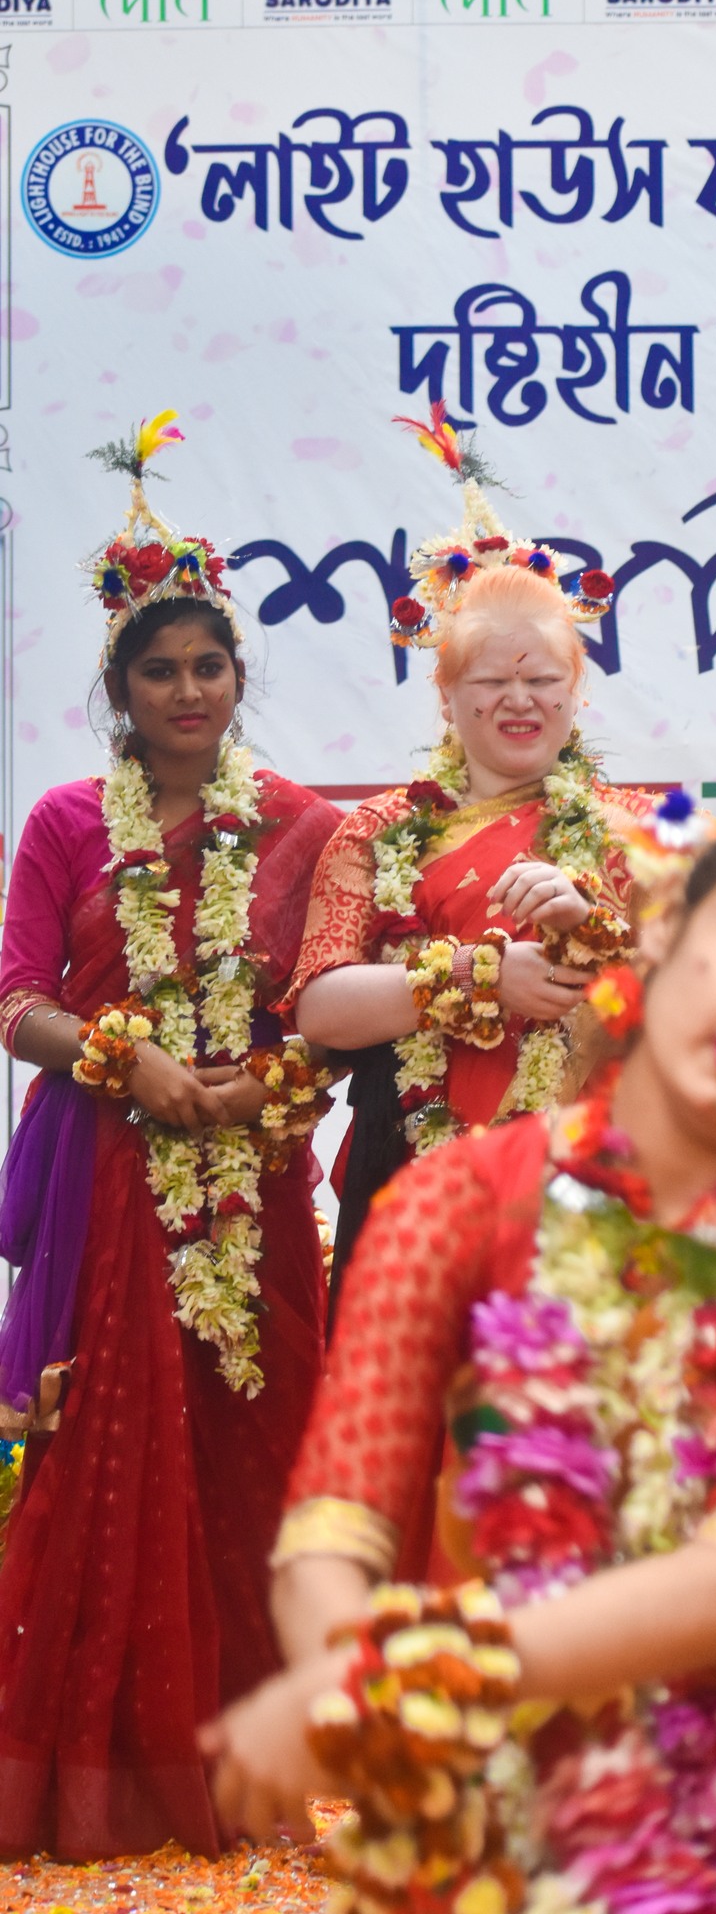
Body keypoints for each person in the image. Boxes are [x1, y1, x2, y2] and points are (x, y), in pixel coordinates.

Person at [204, 780, 716, 1914]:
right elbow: (343, 1505)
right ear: (667, 931)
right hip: (499, 1788)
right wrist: (357, 1672)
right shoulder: (457, 1202)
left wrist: (432, 1677)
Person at [0, 414, 341, 1858]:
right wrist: (125, 1061)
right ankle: (104, 1758)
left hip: (255, 1178)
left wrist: (247, 1093)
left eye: (210, 665)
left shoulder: (305, 826)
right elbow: (16, 999)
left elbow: (329, 1014)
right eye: (161, 669)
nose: (189, 689)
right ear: (119, 688)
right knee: (107, 1450)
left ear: (238, 676)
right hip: (114, 1177)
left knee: (260, 1433)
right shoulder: (68, 821)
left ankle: (255, 1757)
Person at [284, 403, 644, 1327]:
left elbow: (714, 994)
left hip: (599, 1185)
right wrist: (485, 979)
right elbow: (322, 1006)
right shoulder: (380, 830)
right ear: (446, 697)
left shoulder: (639, 830)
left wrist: (595, 928)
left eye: (542, 680)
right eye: (491, 682)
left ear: (576, 691)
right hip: (414, 1179)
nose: (519, 701)